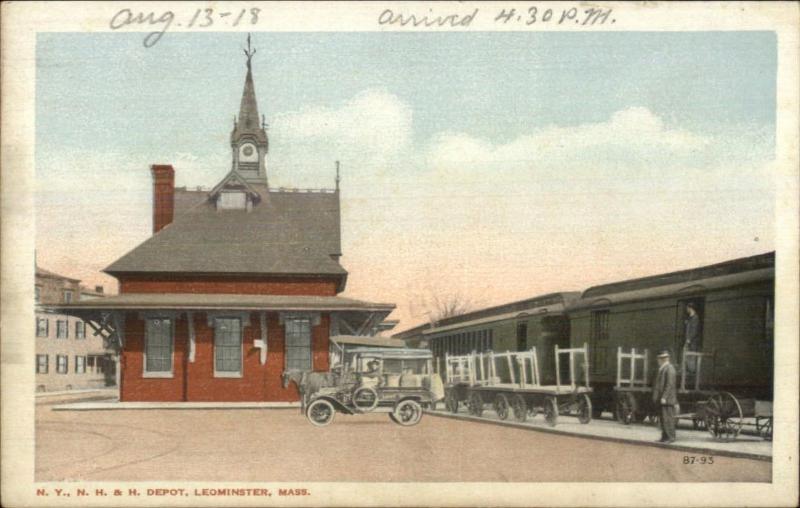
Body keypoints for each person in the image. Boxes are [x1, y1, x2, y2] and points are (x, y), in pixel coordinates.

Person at [653, 349, 678, 443]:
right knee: (663, 419)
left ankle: (671, 437)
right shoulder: (663, 369)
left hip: (667, 399)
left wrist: (664, 397)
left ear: (663, 359)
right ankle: (664, 437)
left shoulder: (669, 369)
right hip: (663, 399)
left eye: (659, 359)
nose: (658, 361)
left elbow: (669, 384)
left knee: (668, 419)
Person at [683, 304, 701, 375]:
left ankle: (692, 371)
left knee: (691, 355)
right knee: (686, 355)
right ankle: (688, 370)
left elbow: (694, 330)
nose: (687, 310)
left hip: (692, 342)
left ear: (691, 308)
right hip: (689, 341)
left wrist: (689, 339)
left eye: (687, 308)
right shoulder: (690, 318)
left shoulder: (695, 318)